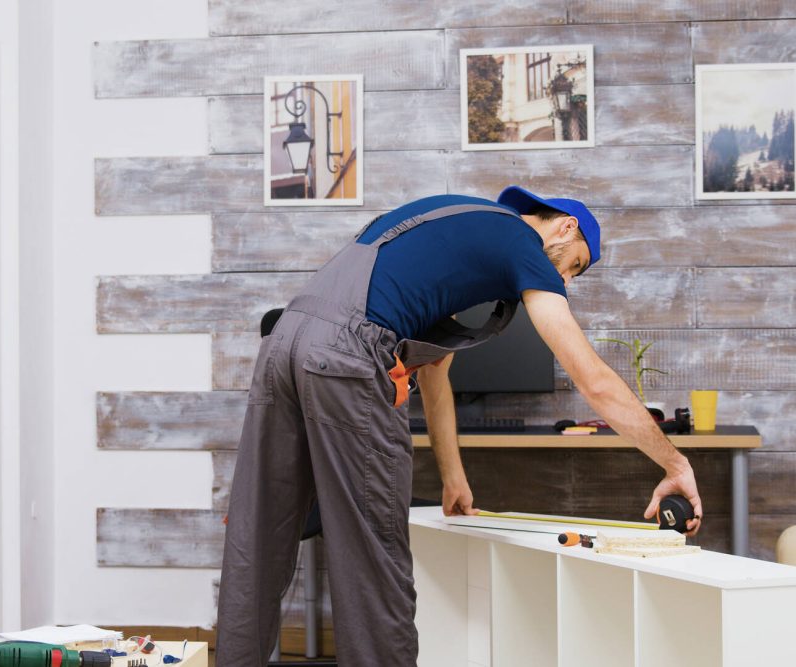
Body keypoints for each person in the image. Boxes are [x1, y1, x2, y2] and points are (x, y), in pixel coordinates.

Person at [215, 186, 703, 667]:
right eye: (575, 264)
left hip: (283, 343)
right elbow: (592, 379)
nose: (567, 280)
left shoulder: (461, 225)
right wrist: (674, 462)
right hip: (346, 355)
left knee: (258, 535)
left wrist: (453, 477)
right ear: (565, 226)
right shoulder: (523, 244)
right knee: (373, 559)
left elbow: (434, 372)